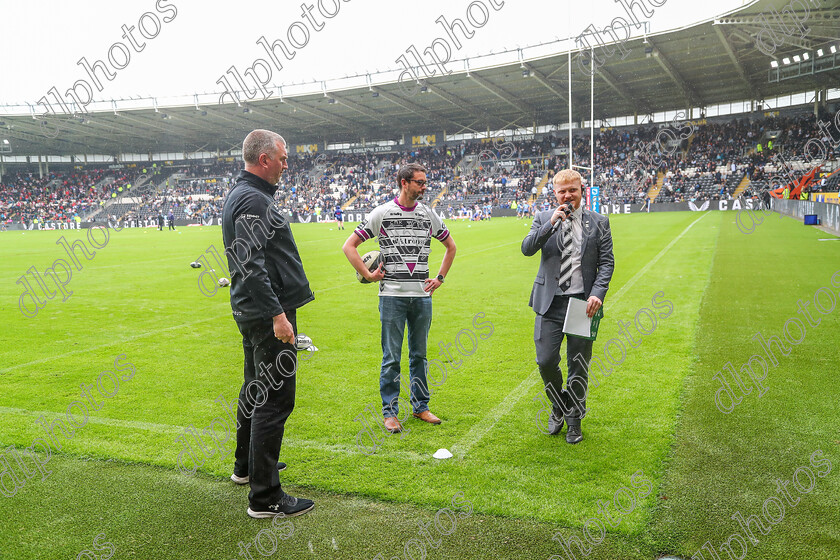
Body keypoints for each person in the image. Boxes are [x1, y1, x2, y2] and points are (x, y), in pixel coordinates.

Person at [222, 129, 315, 519]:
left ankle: (247, 468)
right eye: (282, 157)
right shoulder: (254, 200)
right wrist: (279, 315)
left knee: (254, 389)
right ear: (264, 160)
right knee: (275, 400)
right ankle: (265, 498)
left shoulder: (245, 195)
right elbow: (252, 265)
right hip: (266, 312)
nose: (286, 163)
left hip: (255, 309)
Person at [342, 163, 456, 433]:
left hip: (421, 297)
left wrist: (439, 278)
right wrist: (368, 275)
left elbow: (451, 246)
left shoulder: (428, 214)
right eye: (419, 182)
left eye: (425, 181)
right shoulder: (381, 213)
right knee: (391, 357)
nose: (425, 186)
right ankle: (390, 413)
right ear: (404, 183)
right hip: (391, 297)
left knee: (419, 356)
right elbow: (349, 246)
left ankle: (421, 407)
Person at [521, 169, 614, 444]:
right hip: (549, 303)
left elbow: (606, 262)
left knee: (578, 364)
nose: (567, 195)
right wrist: (550, 223)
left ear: (581, 189)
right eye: (562, 191)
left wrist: (598, 293)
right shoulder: (542, 218)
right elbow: (527, 249)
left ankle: (574, 419)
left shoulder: (599, 222)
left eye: (572, 190)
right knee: (546, 361)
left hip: (582, 304)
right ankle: (560, 405)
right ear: (555, 193)